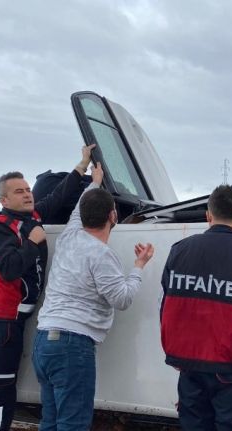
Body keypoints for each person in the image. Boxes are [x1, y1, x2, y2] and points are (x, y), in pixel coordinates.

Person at [0, 145, 97, 430]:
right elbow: (8, 268)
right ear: (3, 199)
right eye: (19, 191)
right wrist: (33, 242)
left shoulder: (30, 217)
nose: (27, 194)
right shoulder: (0, 226)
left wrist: (83, 165)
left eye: (27, 189)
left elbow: (58, 196)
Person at [32, 162, 154, 429]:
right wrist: (139, 266)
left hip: (44, 342)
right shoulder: (102, 255)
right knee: (73, 424)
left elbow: (79, 209)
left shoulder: (69, 236)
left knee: (50, 421)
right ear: (113, 216)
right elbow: (122, 299)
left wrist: (95, 181)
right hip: (72, 346)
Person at [160, 184, 232, 430]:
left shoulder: (180, 251)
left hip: (190, 366)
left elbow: (166, 307)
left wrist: (174, 353)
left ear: (208, 215)